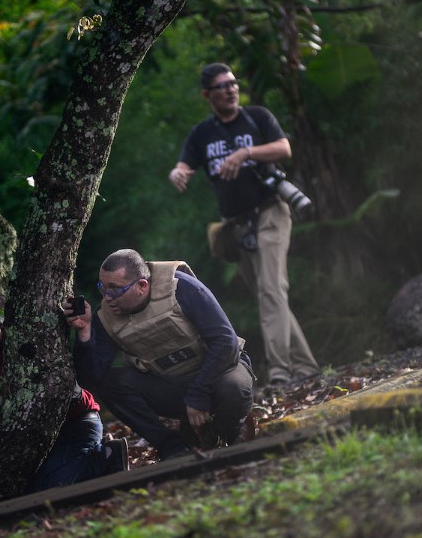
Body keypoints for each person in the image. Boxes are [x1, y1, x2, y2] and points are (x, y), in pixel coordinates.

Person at [168, 62, 320, 387]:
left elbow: (284, 148)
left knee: (271, 290)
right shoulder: (202, 133)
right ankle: (306, 366)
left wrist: (245, 152)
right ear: (207, 94)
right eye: (222, 86)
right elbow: (183, 165)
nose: (230, 89)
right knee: (268, 294)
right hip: (236, 227)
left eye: (233, 83)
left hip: (270, 213)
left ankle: (281, 372)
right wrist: (178, 173)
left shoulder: (258, 118)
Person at [66, 249, 255, 460]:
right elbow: (90, 378)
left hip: (220, 373)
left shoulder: (181, 287)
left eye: (115, 289)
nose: (107, 297)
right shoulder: (106, 318)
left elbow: (225, 342)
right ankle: (173, 446)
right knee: (111, 384)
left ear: (142, 286)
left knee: (233, 390)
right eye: (103, 287)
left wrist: (198, 393)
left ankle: (227, 427)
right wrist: (84, 333)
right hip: (173, 385)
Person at [0, 299, 128, 491]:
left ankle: (108, 454)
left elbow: (2, 406)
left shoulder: (18, 351)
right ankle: (90, 455)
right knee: (31, 486)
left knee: (51, 488)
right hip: (49, 434)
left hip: (77, 423)